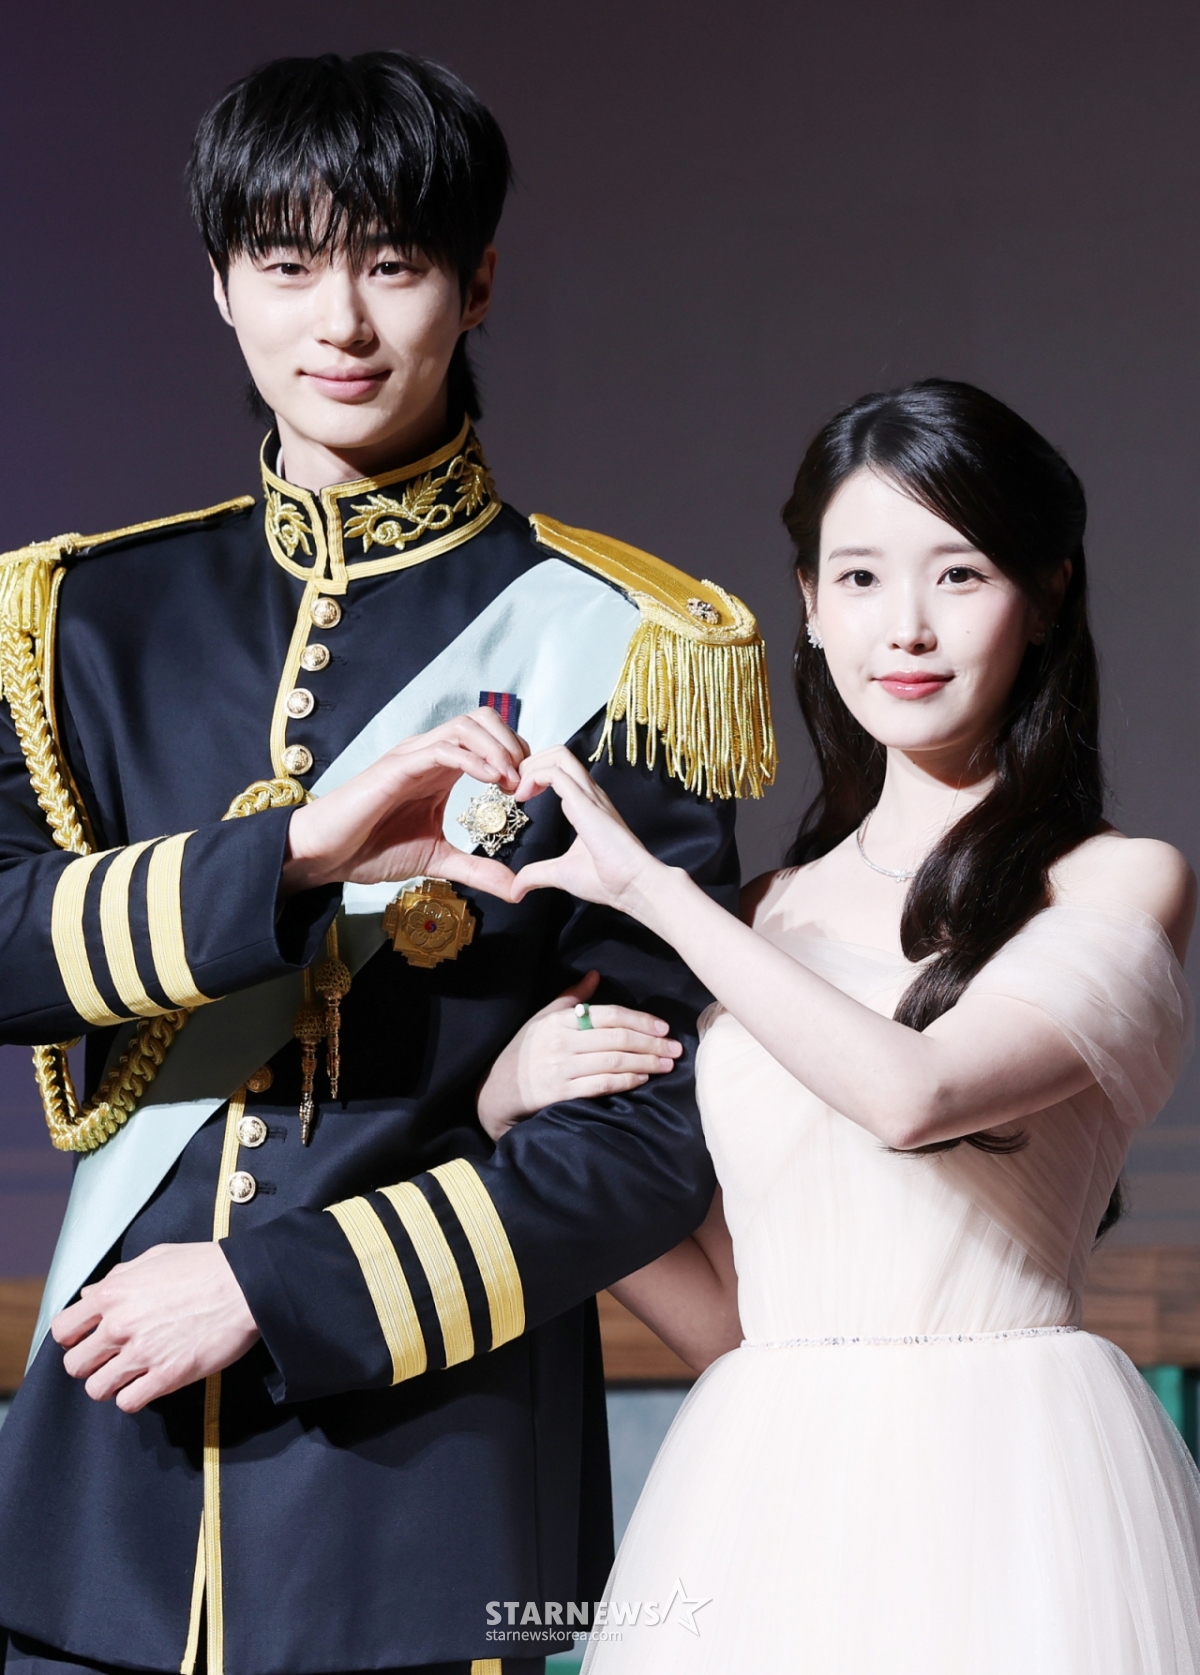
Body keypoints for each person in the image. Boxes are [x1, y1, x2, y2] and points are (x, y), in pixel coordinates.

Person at [0, 50, 776, 1675]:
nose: (340, 323)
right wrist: (293, 857)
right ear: (221, 284)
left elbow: (644, 1142)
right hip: (100, 1492)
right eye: (287, 266)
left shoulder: (632, 649)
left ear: (477, 284)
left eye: (394, 264)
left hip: (426, 1494)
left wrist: (271, 1290)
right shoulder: (78, 621)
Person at [497, 380, 1200, 1673]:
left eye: (960, 574)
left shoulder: (1116, 882)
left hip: (1018, 1494)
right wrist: (521, 1119)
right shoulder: (755, 917)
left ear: (1047, 596)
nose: (907, 627)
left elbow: (914, 1095)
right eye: (861, 578)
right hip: (768, 1502)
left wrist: (652, 893)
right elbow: (733, 1323)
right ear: (811, 607)